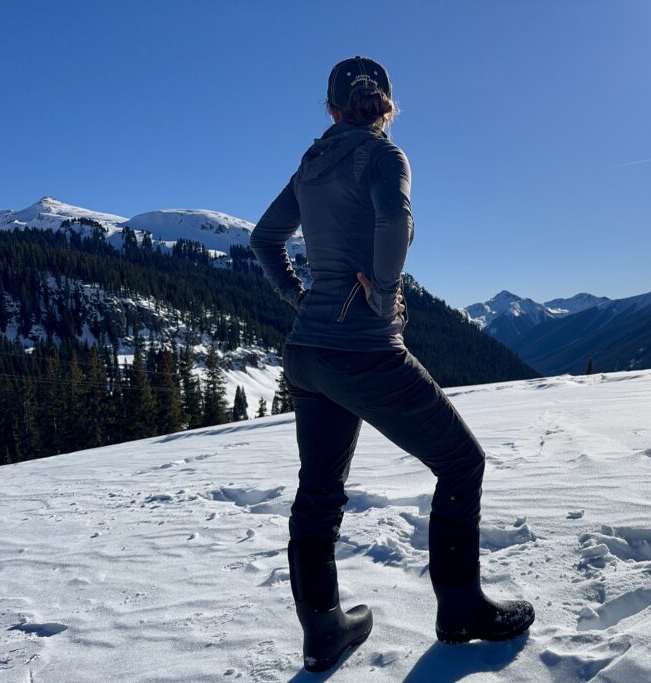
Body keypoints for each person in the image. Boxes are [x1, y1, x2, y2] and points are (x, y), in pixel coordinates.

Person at [250, 56, 534, 673]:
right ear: (388, 104)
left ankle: (323, 630)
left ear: (330, 109)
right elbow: (395, 218)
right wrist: (382, 292)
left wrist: (300, 297)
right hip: (364, 351)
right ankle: (460, 609)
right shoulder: (384, 156)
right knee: (462, 463)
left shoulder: (311, 163)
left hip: (308, 354)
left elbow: (263, 239)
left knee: (318, 491)